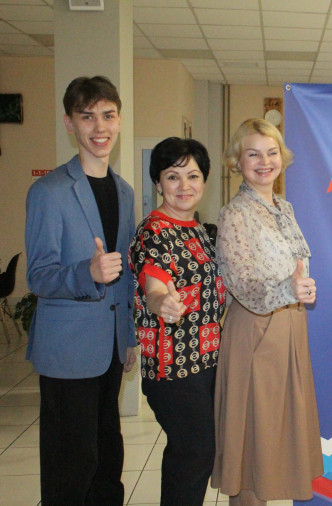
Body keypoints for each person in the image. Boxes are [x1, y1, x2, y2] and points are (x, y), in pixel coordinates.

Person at [25, 75, 136, 505]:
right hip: (67, 352)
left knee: (108, 457)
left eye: (108, 115)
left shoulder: (123, 191)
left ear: (119, 120)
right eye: (87, 116)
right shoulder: (49, 191)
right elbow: (39, 275)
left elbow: (125, 275)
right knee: (71, 464)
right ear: (69, 123)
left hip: (110, 348)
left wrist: (128, 337)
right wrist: (85, 272)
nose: (99, 127)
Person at [211, 119, 323, 506]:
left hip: (289, 328)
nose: (264, 162)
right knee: (252, 444)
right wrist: (287, 289)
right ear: (237, 161)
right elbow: (241, 282)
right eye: (253, 154)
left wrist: (297, 288)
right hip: (255, 331)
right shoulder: (235, 214)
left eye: (271, 153)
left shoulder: (283, 207)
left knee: (277, 440)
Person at [128, 137, 226, 506]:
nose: (184, 185)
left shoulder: (199, 230)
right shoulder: (154, 231)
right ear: (158, 183)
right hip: (173, 368)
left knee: (194, 453)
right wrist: (161, 303)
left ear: (204, 181)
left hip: (206, 362)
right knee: (194, 451)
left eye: (193, 176)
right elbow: (154, 287)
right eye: (173, 176)